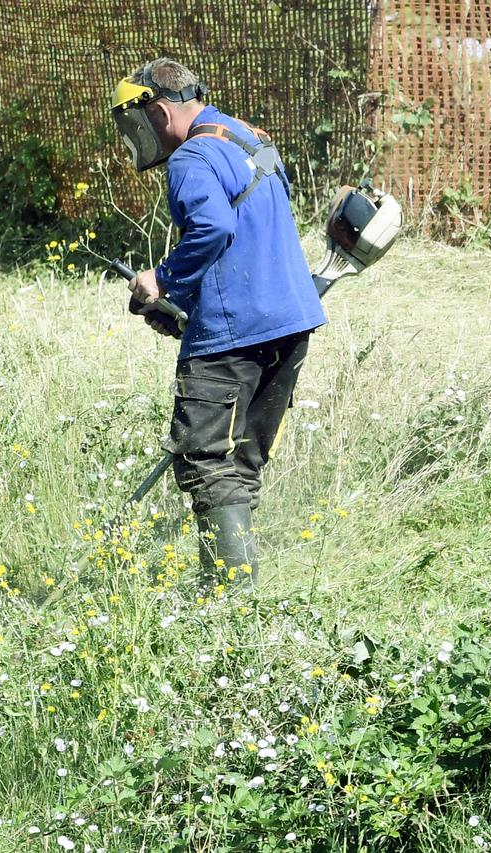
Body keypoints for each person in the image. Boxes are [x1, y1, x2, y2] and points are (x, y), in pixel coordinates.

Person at [110, 58, 326, 588]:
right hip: (290, 325)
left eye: (136, 126)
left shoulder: (190, 157)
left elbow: (212, 226)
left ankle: (228, 600)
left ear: (159, 112)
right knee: (242, 462)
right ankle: (242, 599)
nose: (138, 138)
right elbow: (253, 232)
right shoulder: (249, 139)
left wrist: (160, 280)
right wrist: (183, 299)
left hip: (234, 333)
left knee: (207, 463)